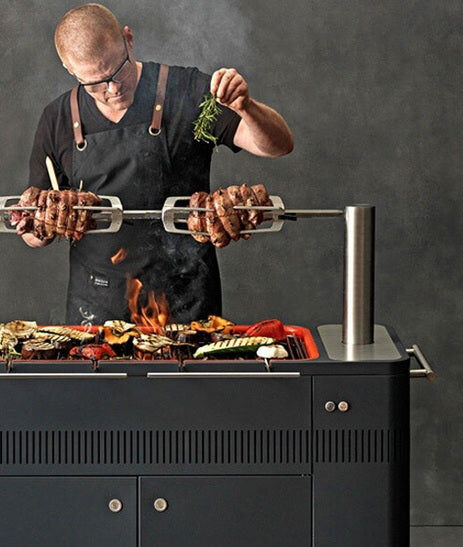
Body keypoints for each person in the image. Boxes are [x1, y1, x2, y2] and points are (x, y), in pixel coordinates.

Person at [22, 3, 293, 325]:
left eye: (117, 71)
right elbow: (32, 234)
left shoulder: (189, 91)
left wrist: (247, 107)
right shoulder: (58, 118)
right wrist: (38, 227)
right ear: (69, 68)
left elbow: (279, 146)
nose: (112, 89)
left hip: (185, 299)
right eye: (94, 83)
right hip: (96, 307)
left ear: (128, 40)